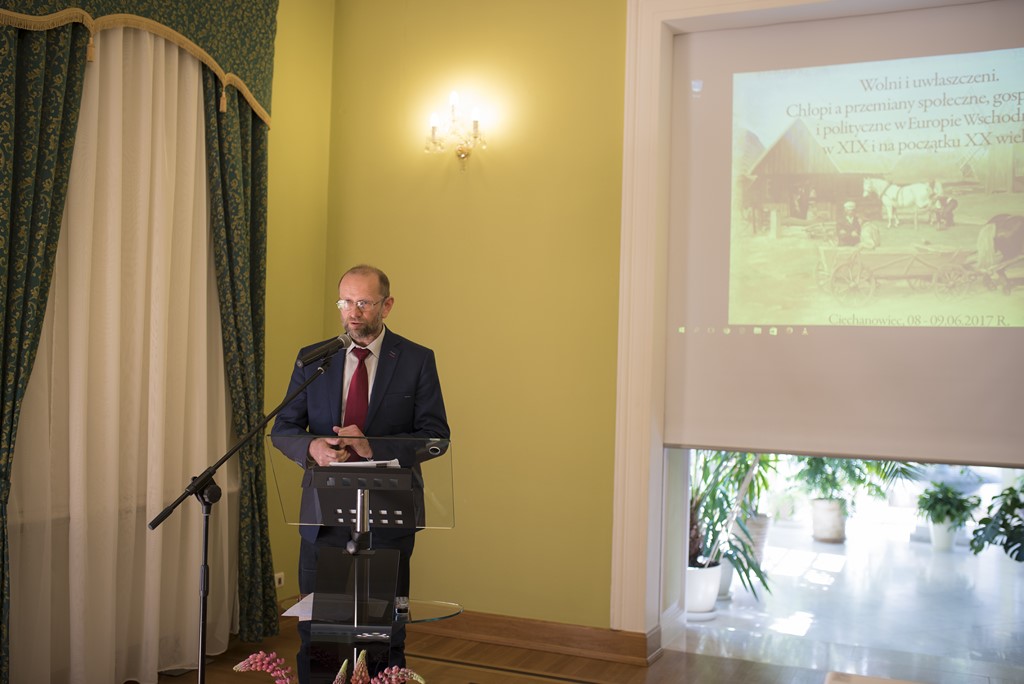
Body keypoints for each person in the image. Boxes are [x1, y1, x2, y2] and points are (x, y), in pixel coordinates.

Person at [271, 264, 450, 681]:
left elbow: (436, 437)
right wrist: (312, 447)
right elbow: (284, 429)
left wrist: (375, 447)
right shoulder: (314, 358)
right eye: (345, 302)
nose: (353, 312)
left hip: (387, 516)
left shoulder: (416, 360)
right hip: (323, 516)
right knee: (320, 635)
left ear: (386, 306)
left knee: (382, 633)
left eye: (364, 302)